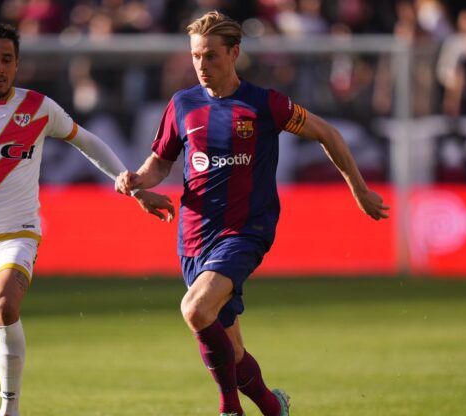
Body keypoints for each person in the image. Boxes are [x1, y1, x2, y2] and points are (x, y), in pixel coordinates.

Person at [115, 11, 390, 416]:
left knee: (195, 310)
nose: (201, 65)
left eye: (211, 56)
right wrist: (138, 179)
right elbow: (161, 162)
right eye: (195, 56)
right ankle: (272, 406)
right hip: (193, 236)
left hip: (245, 230)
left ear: (234, 53)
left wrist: (359, 189)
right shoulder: (183, 104)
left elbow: (327, 133)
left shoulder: (265, 104)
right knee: (232, 348)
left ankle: (230, 409)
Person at [0, 22, 174, 416]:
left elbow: (87, 141)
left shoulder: (36, 107)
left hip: (15, 235)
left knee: (5, 304)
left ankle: (11, 408)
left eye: (7, 60)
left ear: (17, 64)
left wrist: (133, 187)